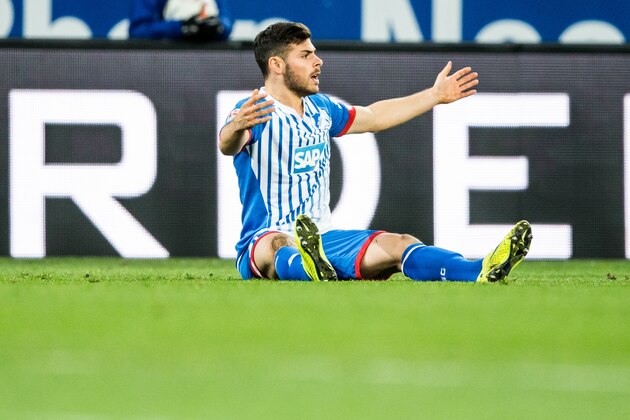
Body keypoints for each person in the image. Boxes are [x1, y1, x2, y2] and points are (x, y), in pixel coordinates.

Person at [219, 22, 533, 282]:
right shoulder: (257, 111)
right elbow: (227, 143)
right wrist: (234, 129)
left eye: (314, 53)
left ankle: (478, 269)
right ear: (276, 64)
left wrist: (435, 96)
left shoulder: (321, 109)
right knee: (278, 245)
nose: (318, 61)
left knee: (399, 244)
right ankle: (308, 267)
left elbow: (373, 117)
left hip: (323, 240)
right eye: (305, 55)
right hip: (262, 242)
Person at [129, 0, 232, 41]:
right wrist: (181, 28)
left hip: (212, 63)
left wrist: (217, 28)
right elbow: (138, 30)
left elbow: (226, 24)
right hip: (169, 62)